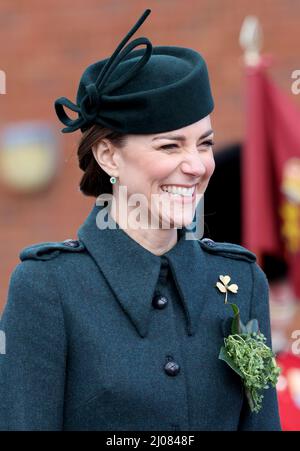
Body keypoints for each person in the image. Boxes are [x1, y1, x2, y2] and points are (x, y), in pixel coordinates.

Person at [0, 9, 281, 431]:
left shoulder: (241, 280)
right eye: (169, 147)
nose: (195, 166)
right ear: (108, 155)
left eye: (204, 144)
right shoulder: (46, 289)